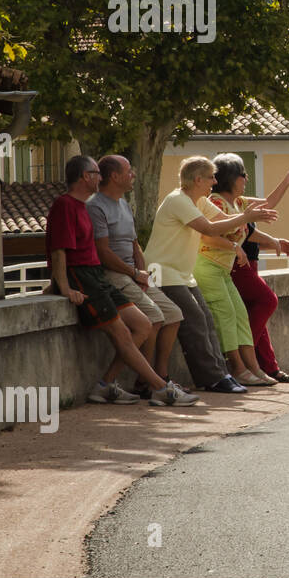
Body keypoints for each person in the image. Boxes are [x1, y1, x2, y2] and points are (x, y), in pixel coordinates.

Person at [47, 155, 199, 406]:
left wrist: (140, 273)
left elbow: (131, 244)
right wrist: (63, 287)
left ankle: (106, 385)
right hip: (84, 277)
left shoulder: (83, 205)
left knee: (142, 324)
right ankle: (160, 387)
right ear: (86, 177)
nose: (100, 177)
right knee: (124, 333)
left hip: (96, 276)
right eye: (96, 173)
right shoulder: (66, 205)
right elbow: (59, 250)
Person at [143, 156, 277, 393]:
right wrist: (246, 218)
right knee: (193, 319)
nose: (214, 182)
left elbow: (225, 221)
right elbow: (210, 229)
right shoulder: (178, 201)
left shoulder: (199, 200)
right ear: (197, 180)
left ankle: (221, 374)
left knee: (205, 318)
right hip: (162, 272)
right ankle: (211, 378)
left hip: (182, 274)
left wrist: (247, 219)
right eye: (210, 177)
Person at [87, 154, 187, 400]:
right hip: (113, 274)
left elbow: (134, 246)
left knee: (174, 315)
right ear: (115, 176)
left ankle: (157, 376)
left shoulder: (124, 204)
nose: (133, 175)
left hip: (133, 274)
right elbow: (103, 252)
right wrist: (132, 273)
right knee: (153, 317)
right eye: (129, 171)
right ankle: (145, 383)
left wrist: (142, 274)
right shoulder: (95, 206)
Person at [226, 158, 289, 383]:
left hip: (248, 265)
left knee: (257, 315)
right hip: (237, 266)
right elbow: (244, 233)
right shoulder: (221, 203)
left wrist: (288, 180)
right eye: (242, 174)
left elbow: (268, 203)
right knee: (267, 301)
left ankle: (269, 368)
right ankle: (242, 357)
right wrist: (273, 240)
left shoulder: (239, 202)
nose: (246, 178)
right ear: (231, 178)